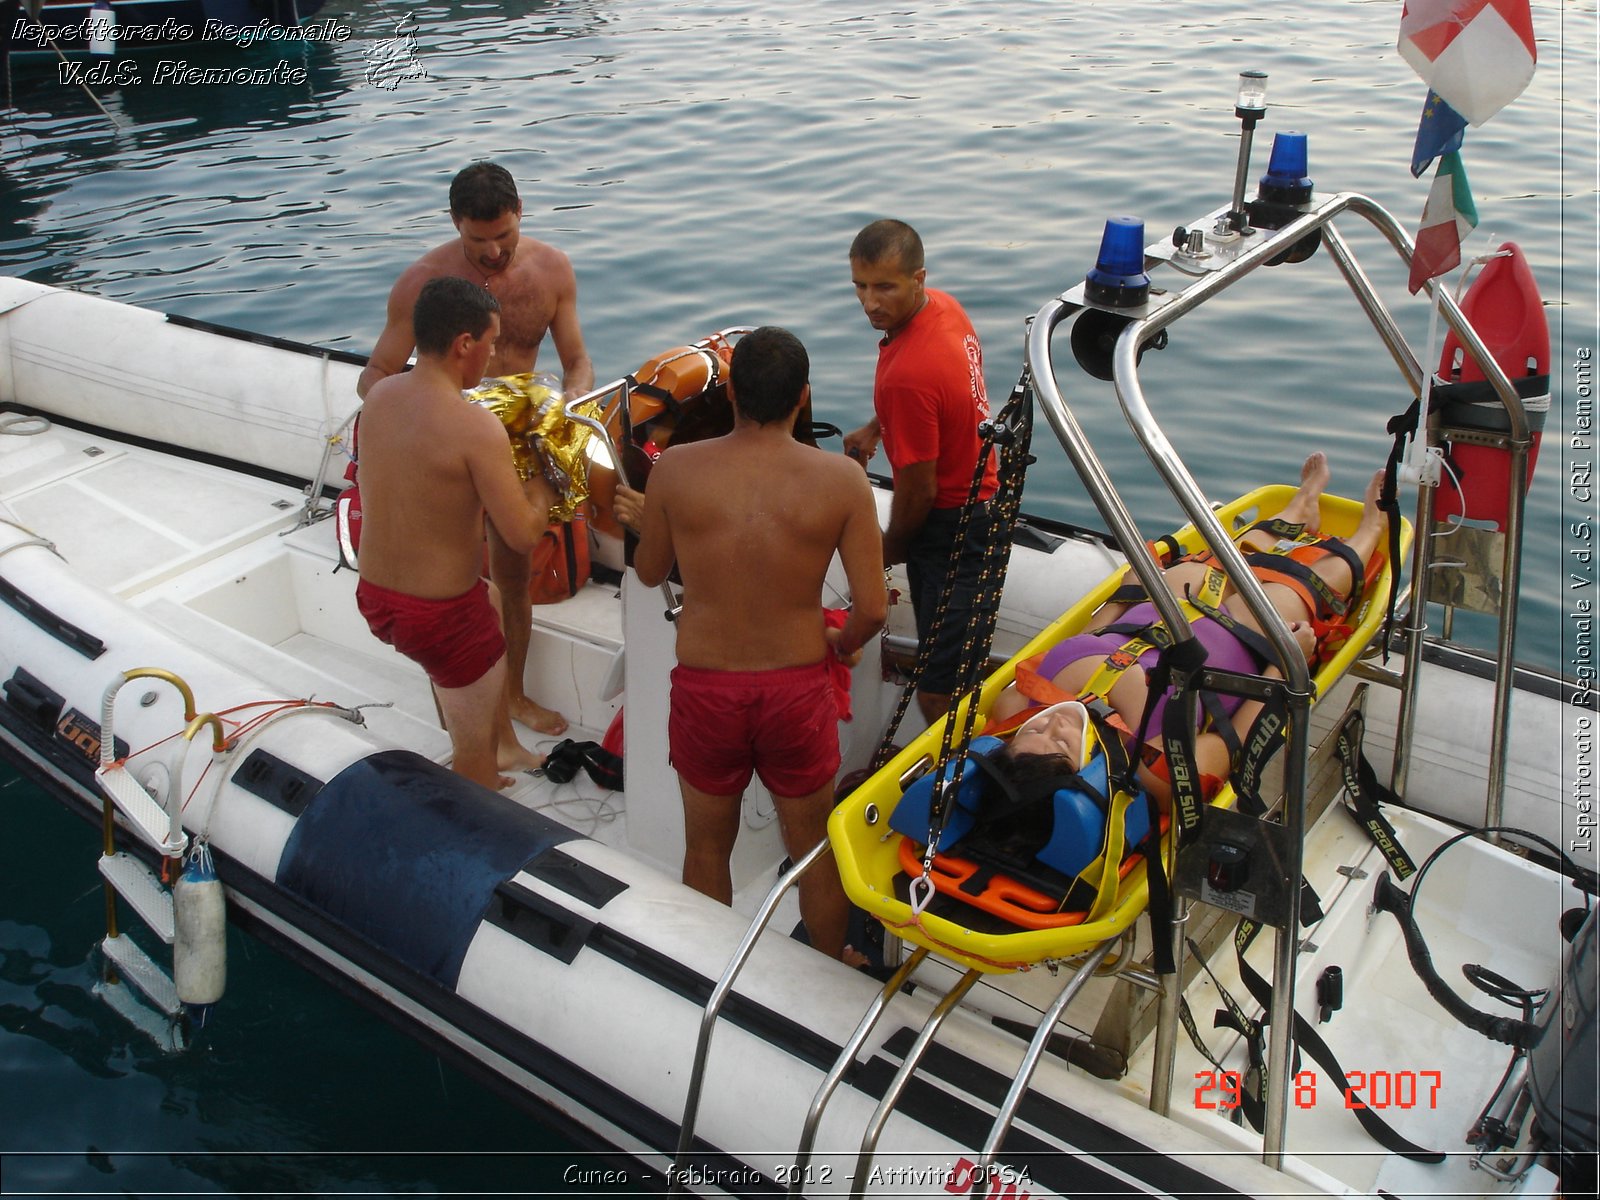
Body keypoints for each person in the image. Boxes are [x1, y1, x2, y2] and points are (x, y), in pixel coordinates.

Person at [611, 327, 888, 963]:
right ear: (805, 396)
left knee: (706, 845)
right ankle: (827, 967)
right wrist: (842, 644)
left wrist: (650, 517)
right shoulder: (843, 481)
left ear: (731, 392)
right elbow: (872, 609)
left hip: (708, 688)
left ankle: (706, 969)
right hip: (796, 689)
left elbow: (651, 573)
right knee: (811, 846)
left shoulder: (676, 469)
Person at [987, 454, 1389, 807]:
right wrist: (1287, 663)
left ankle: (1302, 507)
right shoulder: (1158, 766)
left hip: (1165, 608)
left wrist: (1124, 595)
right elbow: (1241, 743)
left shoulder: (1014, 709)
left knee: (1223, 559)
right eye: (1061, 744)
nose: (1055, 721)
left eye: (1036, 729)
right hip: (1244, 639)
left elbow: (1089, 639)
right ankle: (1371, 529)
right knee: (1296, 585)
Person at [358, 161, 594, 737]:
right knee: (455, 582)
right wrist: (431, 423)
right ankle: (458, 710)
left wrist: (565, 406)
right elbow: (377, 376)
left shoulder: (552, 269)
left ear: (521, 215)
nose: (492, 252)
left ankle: (512, 696)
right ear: (454, 225)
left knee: (514, 576)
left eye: (504, 237)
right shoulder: (424, 284)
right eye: (477, 241)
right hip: (449, 438)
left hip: (518, 431)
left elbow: (577, 363)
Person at [354, 277, 557, 791]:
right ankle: (482, 783)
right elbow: (521, 535)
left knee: (487, 597)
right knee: (474, 770)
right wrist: (546, 484)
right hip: (440, 620)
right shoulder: (474, 425)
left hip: (377, 598)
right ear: (464, 344)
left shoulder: (379, 397)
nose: (492, 358)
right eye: (490, 343)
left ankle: (505, 746)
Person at [842, 219, 998, 727]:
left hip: (953, 529)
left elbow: (918, 491)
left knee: (939, 692)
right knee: (954, 662)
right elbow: (940, 404)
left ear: (918, 278)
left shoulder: (907, 375)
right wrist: (877, 430)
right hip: (986, 499)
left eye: (884, 286)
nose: (870, 303)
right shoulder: (945, 310)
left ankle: (964, 794)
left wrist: (890, 548)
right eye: (860, 286)